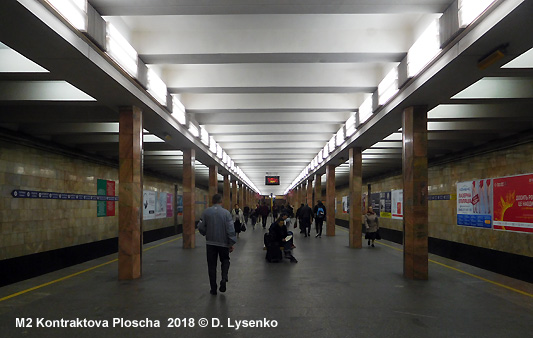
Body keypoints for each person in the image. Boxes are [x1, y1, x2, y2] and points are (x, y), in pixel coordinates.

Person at [198, 194, 237, 295]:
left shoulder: (206, 212)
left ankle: (213, 288)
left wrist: (205, 233)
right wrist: (231, 242)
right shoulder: (226, 213)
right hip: (223, 243)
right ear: (221, 201)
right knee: (225, 260)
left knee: (211, 265)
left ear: (212, 201)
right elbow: (230, 229)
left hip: (210, 243)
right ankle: (224, 278)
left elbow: (201, 227)